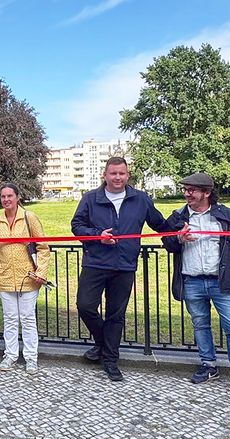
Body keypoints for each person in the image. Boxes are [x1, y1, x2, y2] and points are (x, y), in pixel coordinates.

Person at [161, 173, 230, 400]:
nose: (187, 194)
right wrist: (178, 238)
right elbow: (166, 242)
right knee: (200, 325)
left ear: (206, 193)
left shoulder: (227, 216)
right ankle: (209, 365)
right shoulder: (178, 217)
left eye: (192, 190)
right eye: (186, 189)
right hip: (192, 281)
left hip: (222, 282)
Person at [71, 156, 166, 382]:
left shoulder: (140, 199)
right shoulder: (91, 198)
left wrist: (180, 232)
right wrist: (97, 236)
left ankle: (110, 360)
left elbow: (160, 224)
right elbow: (76, 226)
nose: (117, 178)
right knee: (84, 305)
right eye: (113, 173)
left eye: (121, 173)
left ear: (127, 175)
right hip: (95, 262)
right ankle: (104, 344)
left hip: (124, 265)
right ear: (104, 175)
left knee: (116, 314)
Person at [0, 184, 50, 374]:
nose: (6, 200)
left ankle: (31, 357)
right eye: (3, 196)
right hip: (4, 276)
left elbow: (43, 248)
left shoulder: (29, 218)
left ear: (17, 197)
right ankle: (10, 354)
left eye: (9, 196)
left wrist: (41, 273)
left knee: (28, 318)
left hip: (28, 276)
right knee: (10, 318)